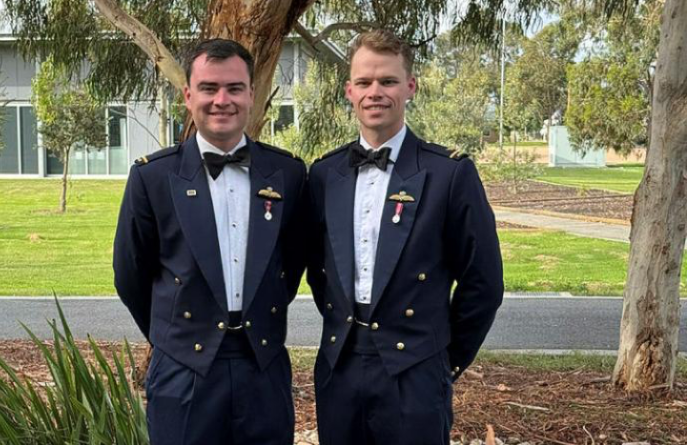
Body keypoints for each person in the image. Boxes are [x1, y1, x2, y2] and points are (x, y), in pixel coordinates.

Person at [306, 30, 504, 445]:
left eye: (388, 81)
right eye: (364, 82)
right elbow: (318, 270)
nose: (375, 92)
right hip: (339, 366)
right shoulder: (325, 175)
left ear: (410, 87)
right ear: (349, 90)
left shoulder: (450, 174)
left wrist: (442, 360)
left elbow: (483, 283)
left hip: (415, 368)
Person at [113, 38, 307, 445]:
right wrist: (176, 335)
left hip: (263, 364)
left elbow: (290, 267)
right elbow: (131, 274)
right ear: (188, 95)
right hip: (184, 368)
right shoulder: (152, 178)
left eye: (235, 88)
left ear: (252, 94)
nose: (223, 100)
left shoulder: (287, 174)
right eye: (209, 88)